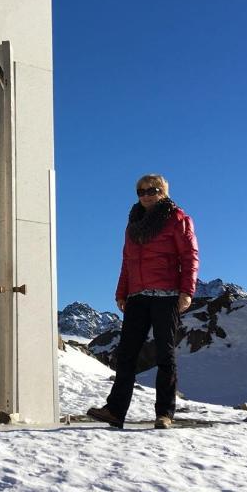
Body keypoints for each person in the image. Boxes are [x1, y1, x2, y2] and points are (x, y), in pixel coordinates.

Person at [87, 174, 198, 430]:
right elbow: (127, 261)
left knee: (164, 354)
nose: (146, 195)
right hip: (137, 296)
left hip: (167, 296)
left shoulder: (178, 219)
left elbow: (190, 256)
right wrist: (121, 293)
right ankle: (115, 411)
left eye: (152, 190)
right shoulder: (133, 224)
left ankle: (164, 414)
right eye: (141, 191)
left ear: (164, 192)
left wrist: (187, 291)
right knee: (126, 355)